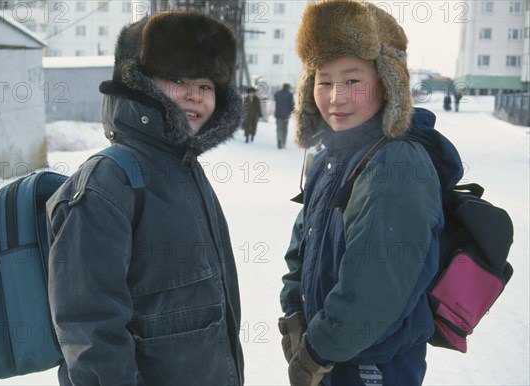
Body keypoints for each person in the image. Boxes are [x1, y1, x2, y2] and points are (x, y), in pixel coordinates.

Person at [46, 12, 244, 385]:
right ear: (140, 84)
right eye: (177, 79)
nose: (194, 94)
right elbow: (89, 331)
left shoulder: (186, 169)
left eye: (205, 85)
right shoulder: (108, 181)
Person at [278, 1, 463, 385]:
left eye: (352, 80)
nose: (335, 96)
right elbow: (303, 245)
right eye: (324, 80)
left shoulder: (395, 165)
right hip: (333, 360)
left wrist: (317, 351)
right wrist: (294, 312)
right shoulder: (333, 157)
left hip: (374, 369)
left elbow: (376, 290)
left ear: (387, 82)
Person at [274, 83, 295, 149]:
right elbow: (292, 105)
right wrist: (292, 111)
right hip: (286, 115)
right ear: (288, 87)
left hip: (278, 114)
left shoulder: (277, 93)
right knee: (284, 129)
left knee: (279, 128)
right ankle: (283, 142)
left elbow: (276, 100)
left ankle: (279, 139)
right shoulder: (290, 94)